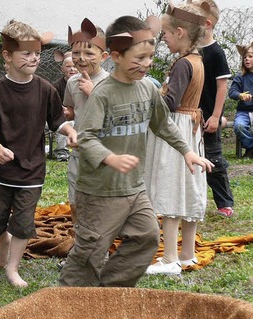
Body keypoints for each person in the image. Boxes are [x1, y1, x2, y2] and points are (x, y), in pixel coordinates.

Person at [58, 15, 213, 287]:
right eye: (139, 58)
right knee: (90, 251)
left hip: (135, 188)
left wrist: (187, 152)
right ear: (116, 56)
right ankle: (70, 298)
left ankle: (110, 289)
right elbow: (86, 137)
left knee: (147, 237)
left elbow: (163, 124)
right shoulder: (102, 94)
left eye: (150, 57)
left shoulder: (147, 89)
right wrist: (110, 157)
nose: (147, 64)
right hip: (99, 190)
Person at [0, 20, 76, 287]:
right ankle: (3, 241)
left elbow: (57, 120)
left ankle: (13, 267)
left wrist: (71, 132)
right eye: (27, 54)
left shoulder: (45, 89)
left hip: (32, 170)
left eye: (36, 53)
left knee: (23, 221)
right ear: (7, 56)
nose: (34, 58)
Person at [143, 2, 209, 276]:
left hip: (178, 129)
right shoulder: (198, 60)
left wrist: (150, 93)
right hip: (191, 127)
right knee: (187, 187)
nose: (164, 39)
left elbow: (170, 102)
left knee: (172, 186)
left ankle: (169, 257)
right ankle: (187, 254)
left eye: (166, 35)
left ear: (180, 32)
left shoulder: (183, 64)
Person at [63, 18, 109, 225]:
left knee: (101, 204)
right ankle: (79, 246)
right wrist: (62, 114)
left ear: (104, 56)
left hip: (105, 154)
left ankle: (101, 248)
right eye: (76, 53)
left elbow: (115, 116)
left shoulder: (112, 82)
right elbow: (72, 111)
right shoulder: (72, 82)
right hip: (79, 151)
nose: (81, 59)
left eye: (89, 53)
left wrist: (93, 94)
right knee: (76, 202)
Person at [197, 0, 235, 218]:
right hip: (190, 117)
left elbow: (222, 86)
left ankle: (224, 201)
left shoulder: (215, 52)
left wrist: (216, 115)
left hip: (209, 117)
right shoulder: (191, 51)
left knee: (214, 161)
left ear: (207, 24)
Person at [51, 50, 78, 162]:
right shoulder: (56, 86)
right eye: (68, 67)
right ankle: (61, 152)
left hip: (78, 115)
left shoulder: (83, 82)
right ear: (62, 69)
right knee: (65, 123)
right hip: (62, 116)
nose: (72, 69)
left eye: (74, 66)